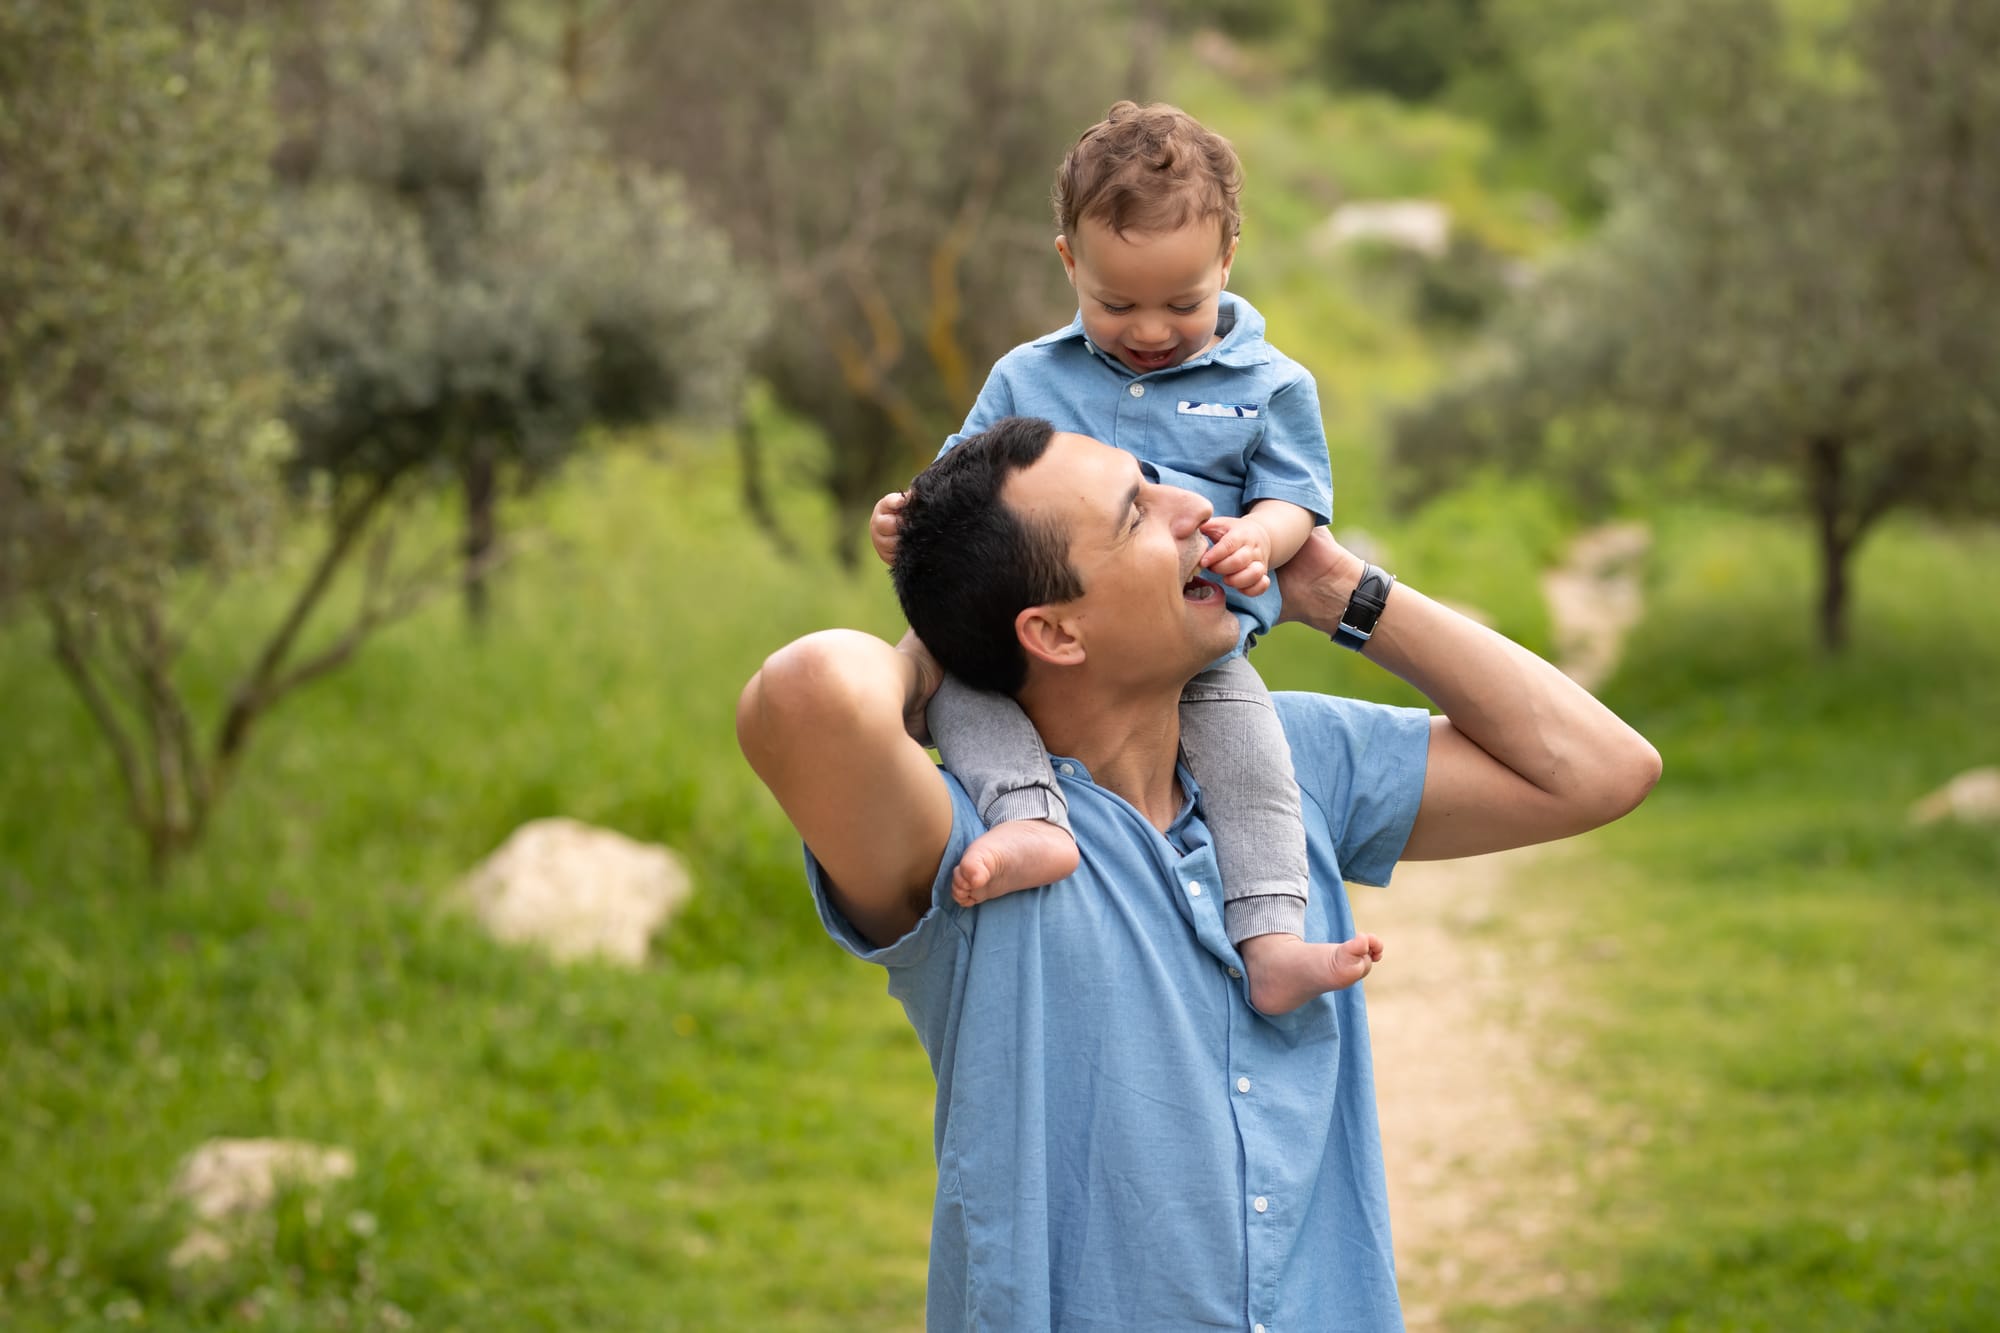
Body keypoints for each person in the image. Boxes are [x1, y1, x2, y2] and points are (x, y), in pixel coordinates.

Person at [739, 418, 1661, 1330]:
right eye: (1137, 513)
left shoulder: (1292, 760)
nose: (1193, 507)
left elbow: (1601, 769)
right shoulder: (970, 850)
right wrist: (938, 653)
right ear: (1055, 630)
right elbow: (808, 693)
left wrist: (1338, 589)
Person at [870, 101, 1350, 1014]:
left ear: (1228, 262)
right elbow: (961, 491)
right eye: (1115, 303)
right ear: (1068, 263)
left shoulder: (1270, 385)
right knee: (960, 692)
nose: (1151, 330)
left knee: (1253, 761)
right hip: (1033, 626)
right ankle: (1028, 820)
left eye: (1184, 303)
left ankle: (1274, 935)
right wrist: (906, 518)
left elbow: (1300, 499)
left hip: (1193, 635)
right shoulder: (1027, 376)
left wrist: (1264, 538)